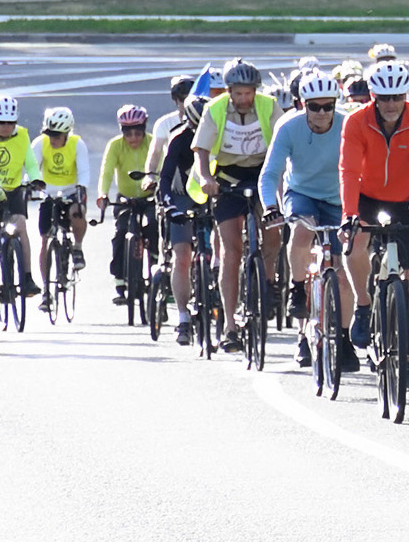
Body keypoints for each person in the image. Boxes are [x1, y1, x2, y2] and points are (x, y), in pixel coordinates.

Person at [341, 61, 409, 394]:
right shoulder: (356, 121)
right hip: (368, 198)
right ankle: (364, 305)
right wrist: (349, 214)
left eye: (397, 97)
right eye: (384, 98)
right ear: (373, 96)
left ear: (406, 94)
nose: (392, 104)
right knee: (354, 242)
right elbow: (349, 171)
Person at [261, 72, 360, 371]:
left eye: (328, 106)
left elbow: (363, 166)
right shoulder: (288, 127)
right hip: (301, 193)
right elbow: (270, 173)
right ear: (303, 105)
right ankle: (296, 289)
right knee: (302, 231)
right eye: (314, 107)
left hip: (337, 199)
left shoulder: (347, 125)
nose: (321, 113)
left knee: (341, 273)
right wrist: (270, 206)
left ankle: (344, 339)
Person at [191, 58, 285, 353]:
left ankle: (267, 282)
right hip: (228, 178)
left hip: (263, 174)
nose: (245, 99)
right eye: (239, 93)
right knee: (231, 251)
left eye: (249, 93)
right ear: (229, 91)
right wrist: (206, 179)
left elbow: (285, 142)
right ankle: (230, 326)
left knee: (273, 232)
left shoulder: (269, 106)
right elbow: (201, 150)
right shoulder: (215, 108)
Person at [26, 106, 92, 313]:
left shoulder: (77, 144)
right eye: (50, 134)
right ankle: (46, 290)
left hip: (71, 191)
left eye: (57, 135)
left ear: (66, 133)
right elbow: (32, 167)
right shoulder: (40, 143)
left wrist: (81, 190)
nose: (53, 139)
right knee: (45, 239)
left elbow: (84, 171)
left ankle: (77, 247)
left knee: (77, 212)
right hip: (49, 193)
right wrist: (30, 185)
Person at [157, 96, 209, 345]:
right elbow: (165, 177)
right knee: (182, 255)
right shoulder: (179, 139)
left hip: (210, 193)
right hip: (182, 195)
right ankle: (183, 316)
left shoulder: (218, 135)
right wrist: (168, 204)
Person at [0, 94, 40, 299]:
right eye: (2, 122)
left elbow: (30, 162)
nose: (6, 127)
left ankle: (27, 277)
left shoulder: (22, 135)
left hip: (13, 190)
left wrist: (36, 179)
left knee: (20, 225)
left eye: (11, 123)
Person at [98, 104, 159, 306]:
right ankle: (120, 279)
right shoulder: (115, 145)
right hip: (125, 197)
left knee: (154, 226)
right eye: (128, 134)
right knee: (120, 233)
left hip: (150, 197)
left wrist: (158, 186)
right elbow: (106, 172)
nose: (133, 138)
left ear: (144, 130)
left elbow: (162, 167)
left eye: (138, 133)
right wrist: (103, 194)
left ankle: (157, 266)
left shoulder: (153, 143)